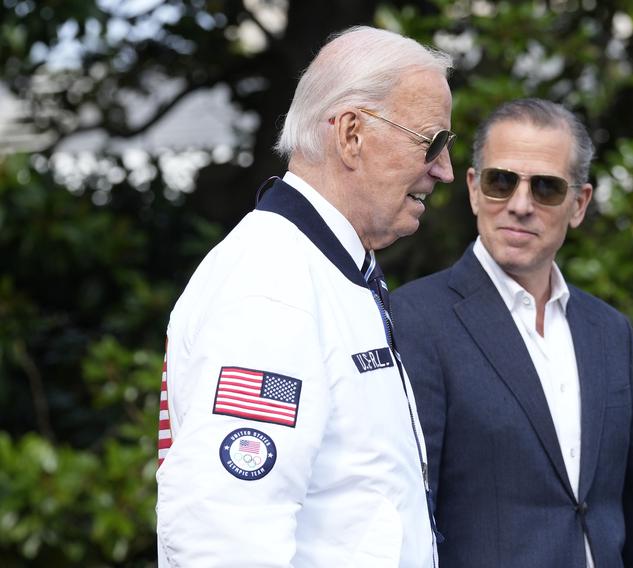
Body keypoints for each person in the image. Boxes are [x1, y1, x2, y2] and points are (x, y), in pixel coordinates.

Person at [155, 26, 456, 567]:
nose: (444, 169)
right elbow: (226, 533)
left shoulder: (326, 269)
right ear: (351, 134)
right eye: (431, 142)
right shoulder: (273, 283)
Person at [392, 98, 633, 567]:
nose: (520, 205)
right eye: (501, 181)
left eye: (547, 188)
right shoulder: (414, 319)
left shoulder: (609, 332)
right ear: (473, 189)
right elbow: (405, 513)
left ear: (579, 204)